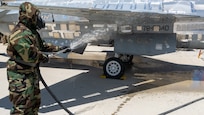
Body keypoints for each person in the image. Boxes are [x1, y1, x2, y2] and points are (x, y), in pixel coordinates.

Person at [6, 2, 67, 115]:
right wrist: (44, 58)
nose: (38, 18)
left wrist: (59, 49)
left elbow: (42, 47)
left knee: (34, 105)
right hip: (20, 76)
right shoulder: (20, 34)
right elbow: (30, 56)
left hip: (30, 74)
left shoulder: (31, 32)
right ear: (29, 17)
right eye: (35, 16)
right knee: (22, 107)